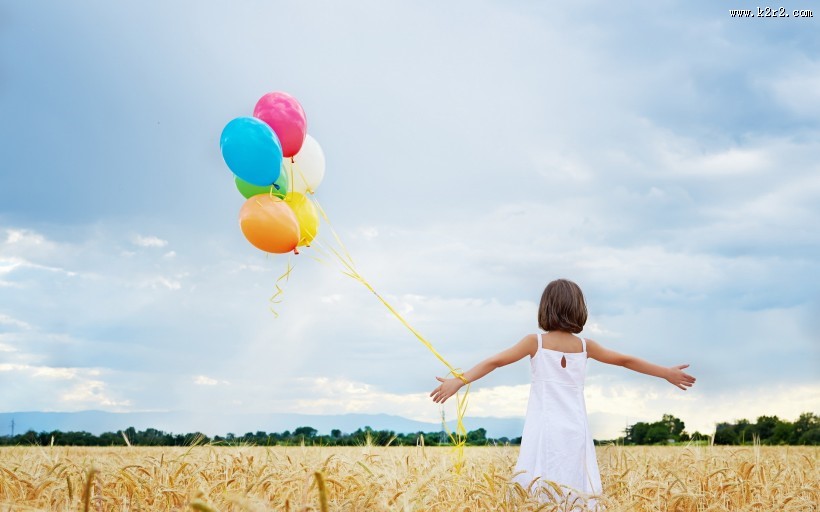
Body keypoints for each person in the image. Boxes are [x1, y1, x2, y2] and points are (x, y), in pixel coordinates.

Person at [430, 278, 696, 507]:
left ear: (545, 309)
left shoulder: (535, 342)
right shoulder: (585, 346)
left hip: (544, 428)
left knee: (540, 484)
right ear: (579, 309)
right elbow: (625, 360)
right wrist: (665, 372)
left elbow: (495, 361)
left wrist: (459, 381)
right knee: (576, 487)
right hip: (576, 429)